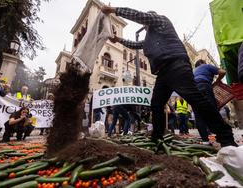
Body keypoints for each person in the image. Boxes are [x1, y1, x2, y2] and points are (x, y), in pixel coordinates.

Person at [101, 6, 237, 147]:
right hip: (163, 72)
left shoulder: (160, 21)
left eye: (146, 23)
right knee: (156, 104)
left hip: (176, 65)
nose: (145, 27)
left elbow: (137, 15)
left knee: (196, 100)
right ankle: (157, 137)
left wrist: (113, 10)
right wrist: (118, 39)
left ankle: (225, 136)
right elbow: (135, 44)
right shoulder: (149, 38)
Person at [193, 59, 226, 144]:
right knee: (213, 111)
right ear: (203, 63)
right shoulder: (206, 66)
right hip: (204, 86)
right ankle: (223, 138)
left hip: (194, 90)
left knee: (198, 114)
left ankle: (205, 141)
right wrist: (218, 81)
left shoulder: (193, 71)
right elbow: (222, 72)